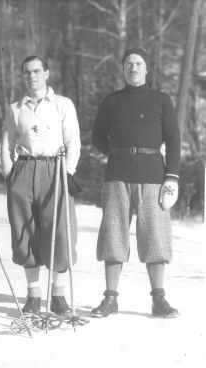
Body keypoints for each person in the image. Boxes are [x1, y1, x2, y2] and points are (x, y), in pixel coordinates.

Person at [90, 47, 181, 318]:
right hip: (117, 176)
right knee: (113, 236)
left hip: (153, 176)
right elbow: (97, 137)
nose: (133, 67)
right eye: (129, 63)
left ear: (146, 68)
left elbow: (174, 140)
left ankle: (159, 300)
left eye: (138, 63)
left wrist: (172, 178)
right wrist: (119, 154)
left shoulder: (161, 100)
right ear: (123, 68)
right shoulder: (112, 101)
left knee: (155, 238)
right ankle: (110, 299)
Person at [0, 56, 81, 317]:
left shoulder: (62, 104)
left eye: (36, 71)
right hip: (24, 168)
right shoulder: (15, 108)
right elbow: (6, 143)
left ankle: (58, 296)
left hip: (54, 168)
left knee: (59, 232)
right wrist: (10, 174)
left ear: (47, 73)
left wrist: (68, 172)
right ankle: (33, 295)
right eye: (26, 72)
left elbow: (73, 141)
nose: (31, 76)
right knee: (25, 232)